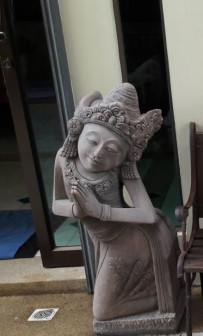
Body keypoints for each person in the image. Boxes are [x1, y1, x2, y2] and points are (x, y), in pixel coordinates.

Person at [51, 83, 180, 322]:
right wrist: (76, 209)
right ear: (79, 133)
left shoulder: (123, 167)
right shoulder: (63, 157)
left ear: (124, 155)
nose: (98, 153)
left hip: (128, 240)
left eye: (111, 149)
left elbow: (147, 214)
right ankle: (167, 289)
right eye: (92, 141)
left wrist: (100, 210)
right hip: (100, 238)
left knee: (103, 312)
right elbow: (56, 203)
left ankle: (167, 293)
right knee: (104, 306)